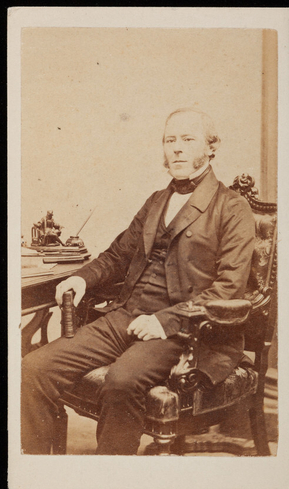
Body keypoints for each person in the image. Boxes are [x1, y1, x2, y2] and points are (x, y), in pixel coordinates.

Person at [21, 108, 255, 455]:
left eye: (188, 140)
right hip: (126, 314)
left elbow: (228, 288)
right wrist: (81, 279)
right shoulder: (157, 201)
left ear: (211, 147)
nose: (176, 149)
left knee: (122, 381)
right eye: (169, 140)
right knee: (33, 368)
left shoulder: (232, 208)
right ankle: (36, 476)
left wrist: (163, 321)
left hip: (184, 329)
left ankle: (112, 478)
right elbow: (117, 256)